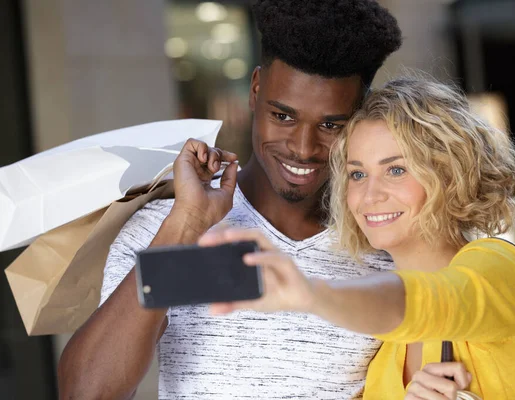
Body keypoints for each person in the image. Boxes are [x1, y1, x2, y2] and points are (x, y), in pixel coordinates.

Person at [57, 1, 403, 399]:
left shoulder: (383, 237)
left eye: (331, 125)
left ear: (359, 115)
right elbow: (87, 393)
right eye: (283, 116)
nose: (303, 148)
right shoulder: (167, 230)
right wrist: (185, 226)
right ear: (255, 90)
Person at [198, 76, 515, 399]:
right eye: (357, 174)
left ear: (451, 174)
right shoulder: (383, 354)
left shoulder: (496, 269)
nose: (369, 195)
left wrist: (312, 294)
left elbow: (429, 302)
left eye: (395, 169)